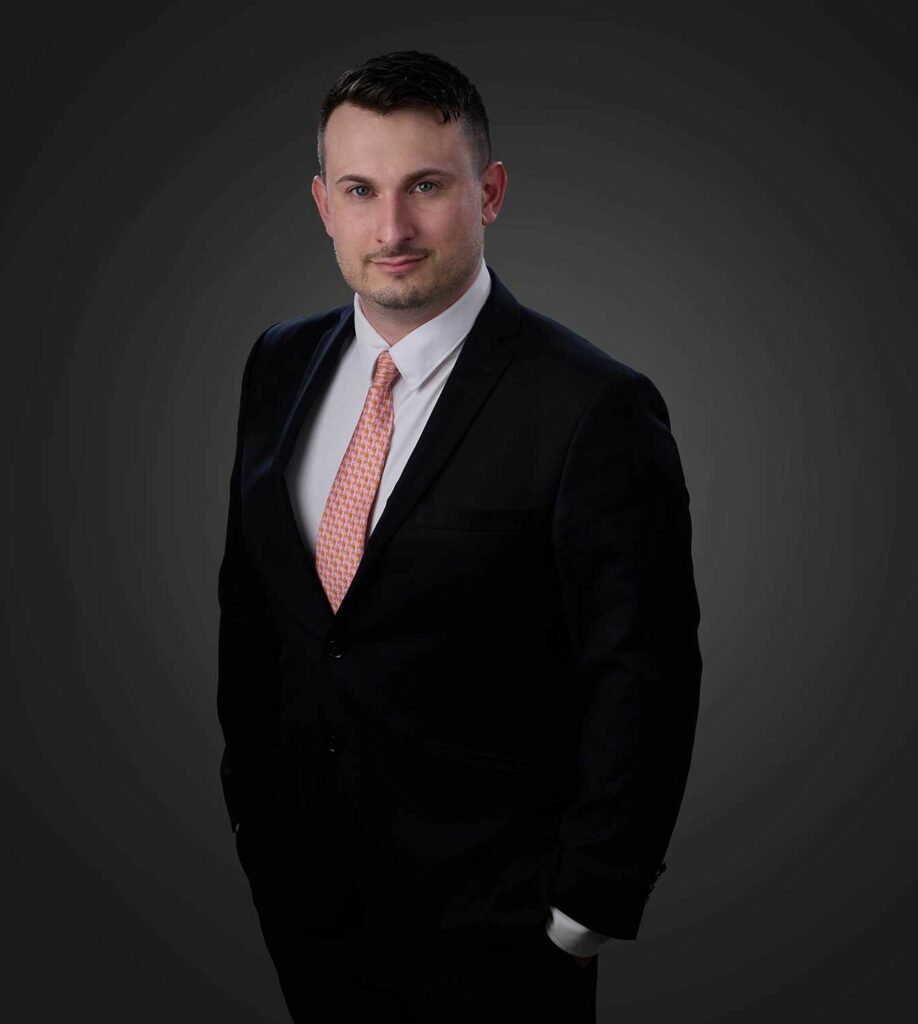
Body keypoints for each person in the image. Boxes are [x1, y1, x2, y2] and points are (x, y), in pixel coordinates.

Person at [217, 49, 702, 1023]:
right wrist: (255, 812)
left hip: (501, 928)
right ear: (323, 203)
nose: (390, 228)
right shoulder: (277, 364)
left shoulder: (591, 406)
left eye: (426, 187)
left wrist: (583, 910)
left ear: (490, 191)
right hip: (306, 899)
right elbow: (257, 610)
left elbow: (643, 670)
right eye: (360, 189)